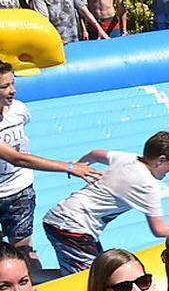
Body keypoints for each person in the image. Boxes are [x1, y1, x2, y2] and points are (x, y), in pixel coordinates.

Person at [42, 131, 169, 275]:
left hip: (61, 216)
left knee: (97, 271)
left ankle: (33, 276)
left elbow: (95, 154)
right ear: (161, 160)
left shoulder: (129, 158)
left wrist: (79, 165)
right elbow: (159, 229)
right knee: (91, 279)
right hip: (73, 227)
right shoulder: (148, 186)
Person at [0, 63, 102, 277]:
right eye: (4, 86)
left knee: (23, 250)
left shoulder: (19, 109)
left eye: (12, 83)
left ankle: (41, 288)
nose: (13, 90)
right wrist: (69, 167)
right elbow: (17, 158)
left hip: (19, 190)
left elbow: (19, 149)